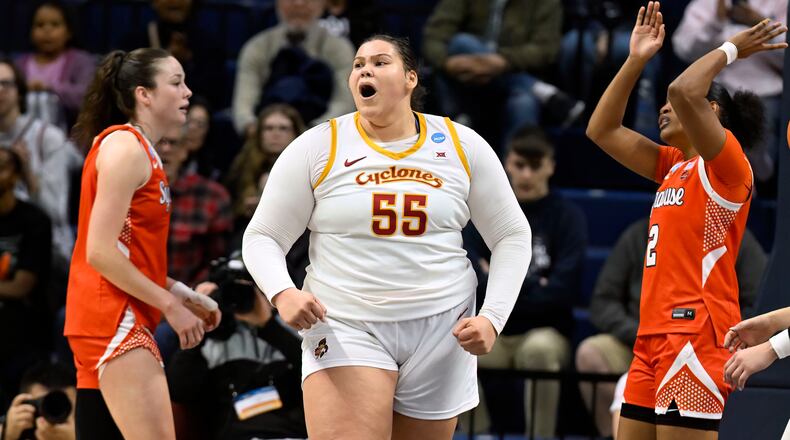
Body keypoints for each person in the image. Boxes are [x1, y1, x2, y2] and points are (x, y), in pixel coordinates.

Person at [242, 34, 532, 440]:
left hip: (442, 327)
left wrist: (493, 317)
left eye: (380, 62)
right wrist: (282, 292)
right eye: (359, 64)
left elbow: (512, 235)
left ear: (410, 78)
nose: (365, 70)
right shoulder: (317, 145)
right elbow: (263, 235)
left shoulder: (462, 145)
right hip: (347, 322)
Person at [585, 2, 784, 438]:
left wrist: (732, 47)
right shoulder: (672, 164)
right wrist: (635, 60)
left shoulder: (728, 166)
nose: (664, 109)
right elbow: (601, 130)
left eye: (674, 108)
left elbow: (682, 90)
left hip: (696, 332)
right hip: (652, 333)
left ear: (712, 112)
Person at [64, 48, 220, 440]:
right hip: (115, 315)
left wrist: (180, 293)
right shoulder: (126, 148)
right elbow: (98, 251)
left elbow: (126, 251)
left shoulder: (139, 150)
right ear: (143, 94)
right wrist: (169, 306)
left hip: (105, 314)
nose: (187, 92)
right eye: (176, 82)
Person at [578, 217, 766, 437]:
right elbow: (603, 300)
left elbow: (760, 302)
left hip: (700, 342)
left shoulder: (732, 235)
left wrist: (731, 335)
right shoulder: (639, 233)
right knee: (592, 353)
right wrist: (639, 331)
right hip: (639, 339)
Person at [469, 125, 586, 437]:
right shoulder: (483, 212)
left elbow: (563, 292)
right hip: (493, 329)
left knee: (540, 350)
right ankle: (476, 434)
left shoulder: (567, 217)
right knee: (454, 346)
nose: (526, 175)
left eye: (535, 166)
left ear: (550, 165)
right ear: (507, 162)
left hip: (546, 331)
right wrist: (537, 287)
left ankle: (540, 436)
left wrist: (497, 278)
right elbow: (470, 281)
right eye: (520, 165)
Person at [673, 0, 787, 183]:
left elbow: (785, 56)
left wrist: (760, 23)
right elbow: (684, 49)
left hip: (764, 92)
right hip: (712, 92)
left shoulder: (781, 3)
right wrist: (716, 22)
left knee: (756, 166)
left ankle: (751, 182)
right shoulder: (709, 4)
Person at [232, 0, 355, 136]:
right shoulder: (257, 47)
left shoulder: (340, 49)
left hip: (320, 138)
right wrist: (255, 129)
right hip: (265, 135)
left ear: (323, 4)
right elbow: (244, 103)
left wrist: (312, 134)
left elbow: (344, 103)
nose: (299, 3)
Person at [0, 148, 52, 410]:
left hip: (24, 325)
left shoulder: (34, 221)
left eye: (2, 168)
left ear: (16, 176)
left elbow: (23, 285)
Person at [15, 1, 96, 131]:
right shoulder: (20, 64)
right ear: (31, 32)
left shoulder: (81, 61)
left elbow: (88, 97)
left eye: (55, 24)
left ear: (69, 31)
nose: (47, 31)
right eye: (40, 25)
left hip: (68, 140)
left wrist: (51, 87)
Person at [226, 103, 305, 227]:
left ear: (295, 134)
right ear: (259, 134)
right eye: (269, 128)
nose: (275, 134)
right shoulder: (242, 168)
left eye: (283, 128)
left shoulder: (310, 168)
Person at [1, 362, 76, 440]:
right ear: (24, 406)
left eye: (62, 406)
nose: (53, 417)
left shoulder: (87, 431)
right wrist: (7, 435)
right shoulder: (12, 433)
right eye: (46, 406)